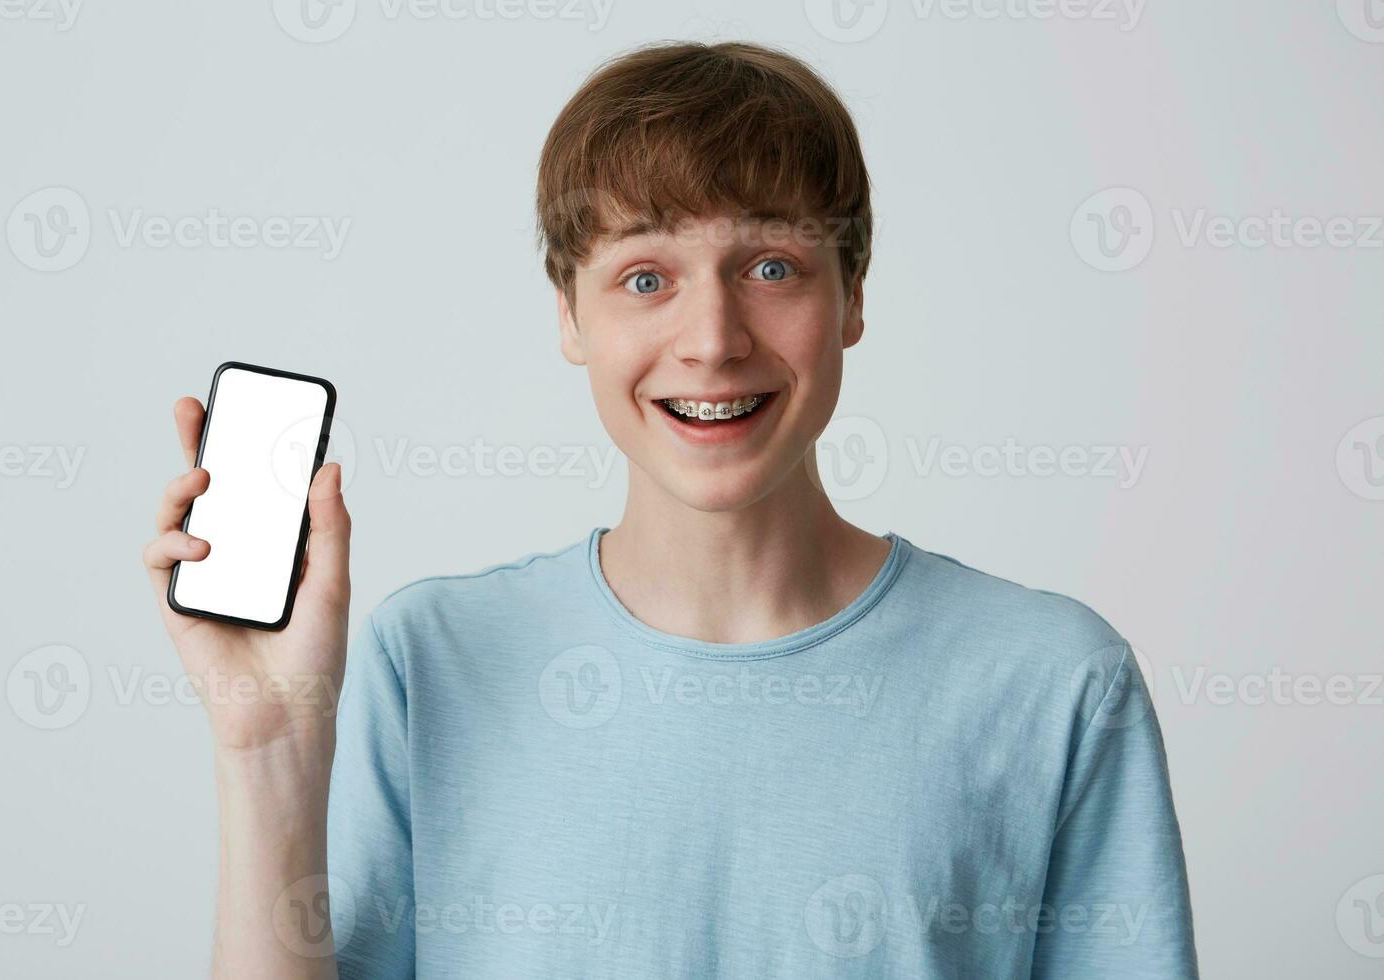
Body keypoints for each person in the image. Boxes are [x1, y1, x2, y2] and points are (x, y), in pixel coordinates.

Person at [143, 39, 1199, 980]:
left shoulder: (1054, 679)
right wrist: (266, 754)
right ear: (569, 313)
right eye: (645, 277)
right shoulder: (432, 659)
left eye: (773, 266)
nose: (712, 337)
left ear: (855, 295)